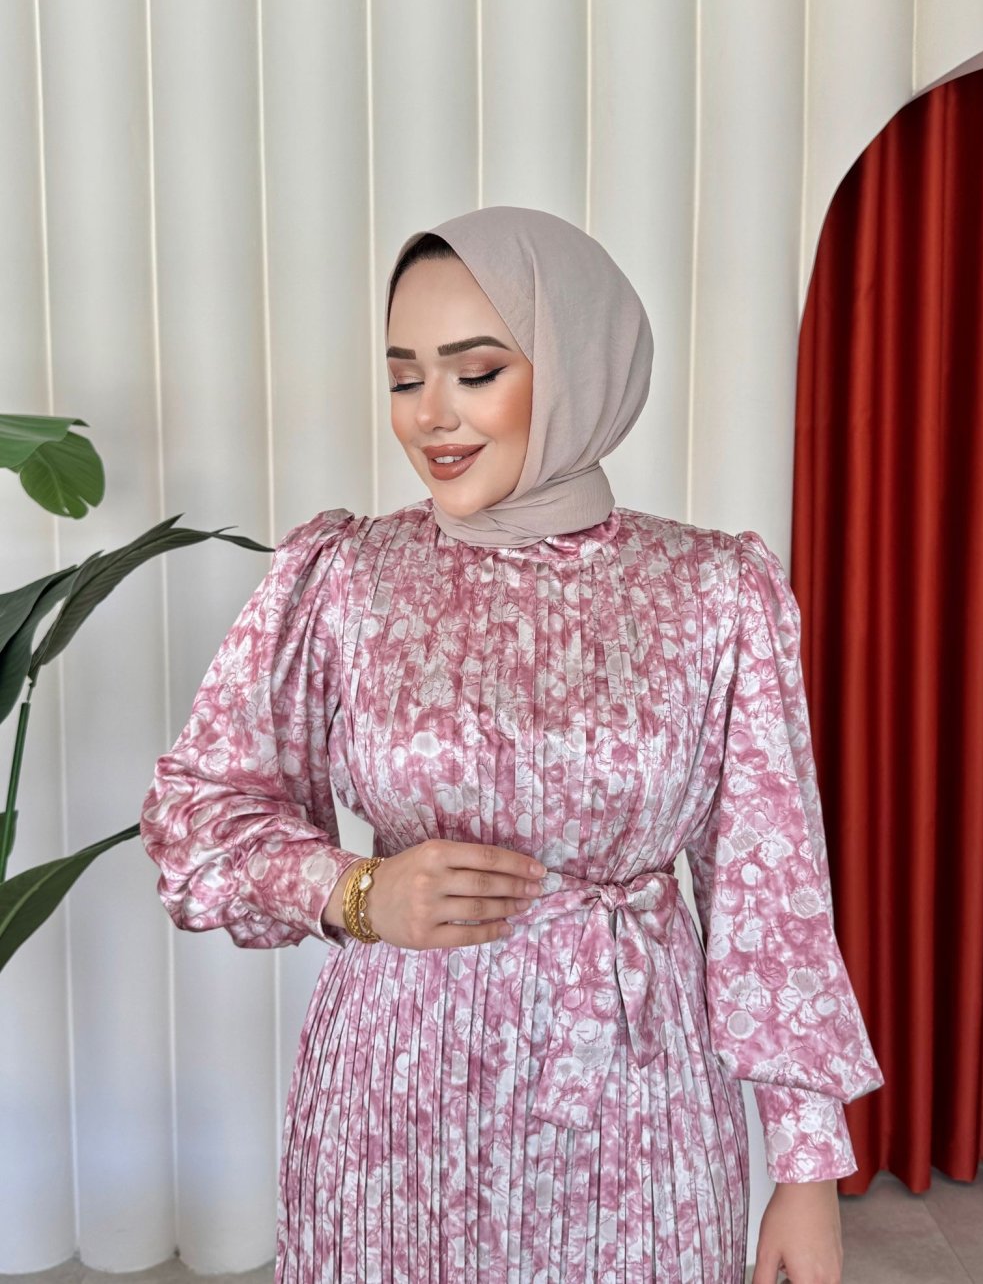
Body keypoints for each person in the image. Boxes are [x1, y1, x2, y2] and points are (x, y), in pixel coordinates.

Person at [139, 205, 885, 1283]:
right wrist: (356, 891)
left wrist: (806, 1168)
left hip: (635, 1098)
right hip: (395, 1107)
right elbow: (197, 811)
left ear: (579, 364)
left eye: (476, 371)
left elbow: (770, 895)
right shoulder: (348, 577)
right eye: (404, 377)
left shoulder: (712, 590)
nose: (430, 415)